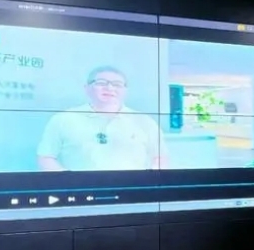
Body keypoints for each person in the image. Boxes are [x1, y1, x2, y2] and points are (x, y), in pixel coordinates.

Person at [37, 66, 168, 171]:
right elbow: (46, 157)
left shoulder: (145, 121)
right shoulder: (63, 119)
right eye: (101, 83)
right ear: (87, 88)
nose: (109, 88)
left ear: (125, 90)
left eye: (117, 84)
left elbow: (159, 158)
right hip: (82, 192)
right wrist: (69, 181)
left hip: (132, 191)